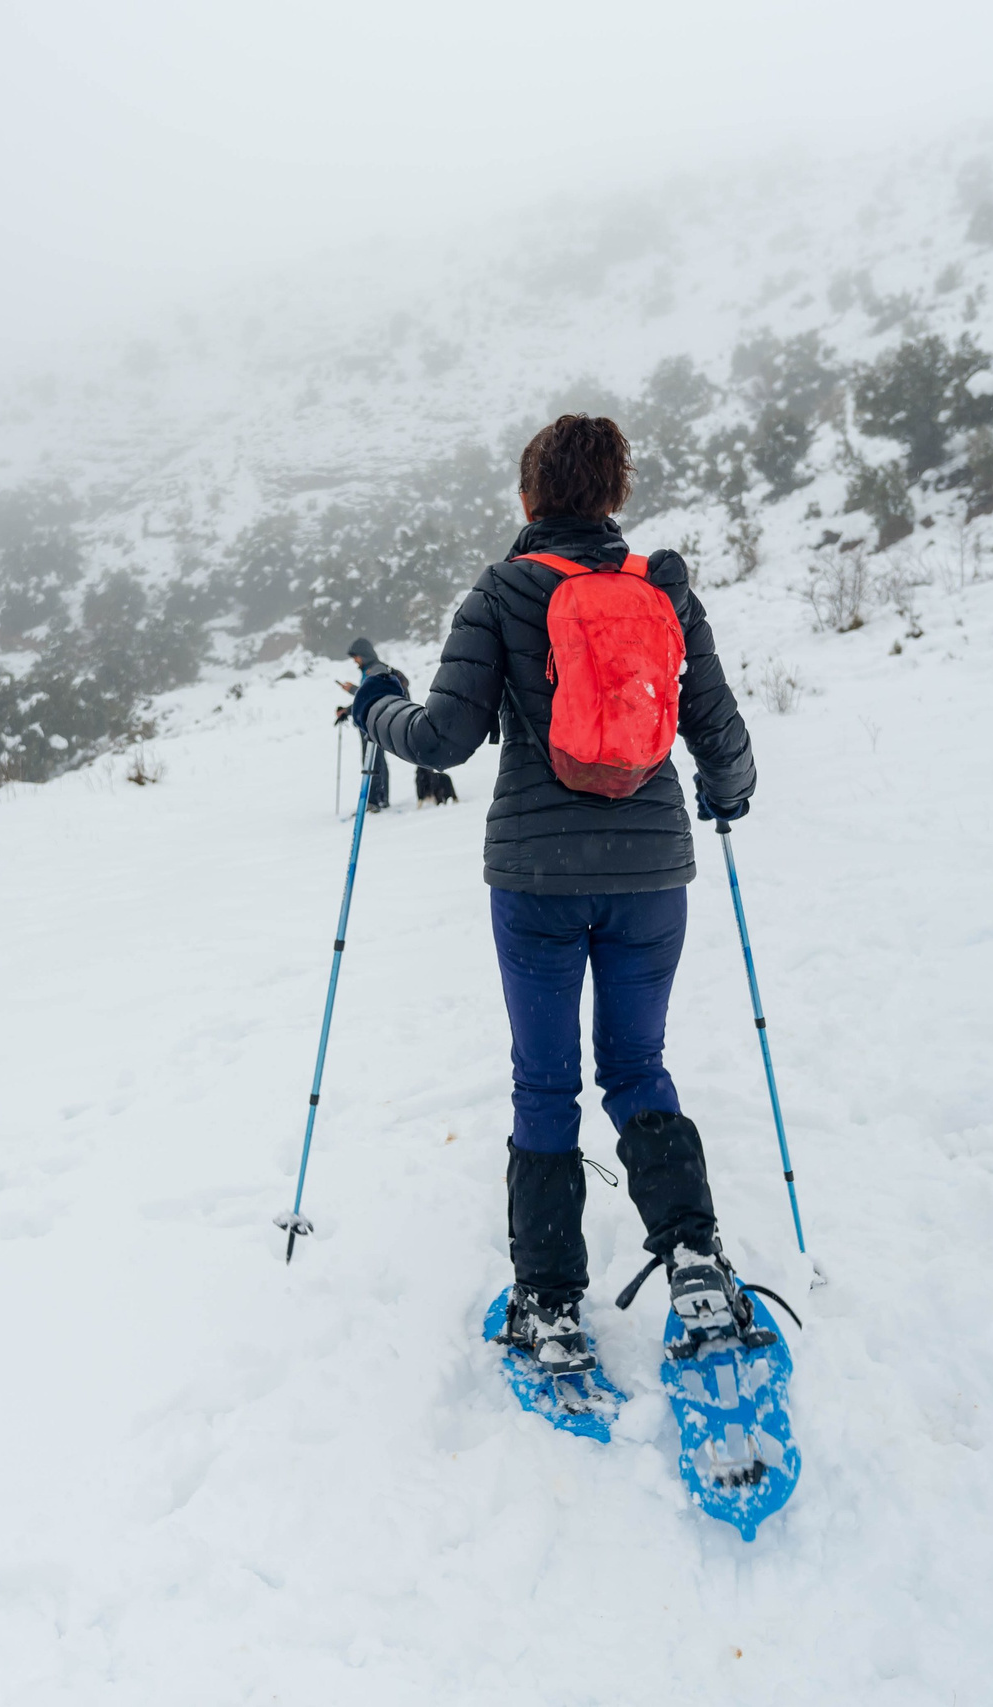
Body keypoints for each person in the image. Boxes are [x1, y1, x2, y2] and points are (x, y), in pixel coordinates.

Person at [348, 413, 759, 1377]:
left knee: (547, 1081)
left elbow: (444, 738)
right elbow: (721, 729)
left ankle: (549, 1305)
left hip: (536, 877)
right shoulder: (663, 590)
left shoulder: (502, 590)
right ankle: (696, 1260)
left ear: (531, 498)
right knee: (637, 1065)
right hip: (653, 872)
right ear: (613, 493)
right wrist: (726, 796)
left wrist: (379, 710)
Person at [332, 638, 404, 812]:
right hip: (372, 722)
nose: (355, 660)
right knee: (374, 760)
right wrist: (348, 711)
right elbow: (367, 698)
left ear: (364, 654)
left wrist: (352, 691)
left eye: (356, 656)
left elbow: (374, 694)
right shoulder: (370, 670)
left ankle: (375, 801)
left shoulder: (376, 669)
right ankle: (379, 799)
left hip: (374, 724)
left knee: (372, 761)